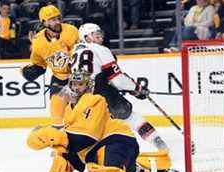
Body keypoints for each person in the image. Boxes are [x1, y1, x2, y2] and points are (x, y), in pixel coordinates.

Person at [26, 68, 180, 172]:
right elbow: (74, 143)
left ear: (89, 86)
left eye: (80, 84)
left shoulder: (96, 100)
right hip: (96, 148)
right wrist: (60, 149)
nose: (75, 88)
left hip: (118, 139)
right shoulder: (68, 110)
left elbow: (87, 137)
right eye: (73, 84)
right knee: (65, 152)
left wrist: (52, 137)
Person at [70, 23, 168, 151]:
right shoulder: (100, 49)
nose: (100, 37)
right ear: (87, 38)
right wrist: (137, 89)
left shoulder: (74, 51)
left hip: (80, 97)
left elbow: (88, 76)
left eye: (100, 33)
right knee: (131, 117)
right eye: (96, 34)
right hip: (101, 93)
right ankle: (159, 144)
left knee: (96, 128)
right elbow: (117, 80)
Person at [20, 4, 79, 127]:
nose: (57, 22)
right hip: (60, 79)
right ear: (44, 22)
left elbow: (82, 56)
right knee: (57, 116)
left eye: (58, 18)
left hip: (79, 78)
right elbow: (39, 64)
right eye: (52, 20)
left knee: (81, 113)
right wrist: (33, 71)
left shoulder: (71, 31)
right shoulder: (38, 42)